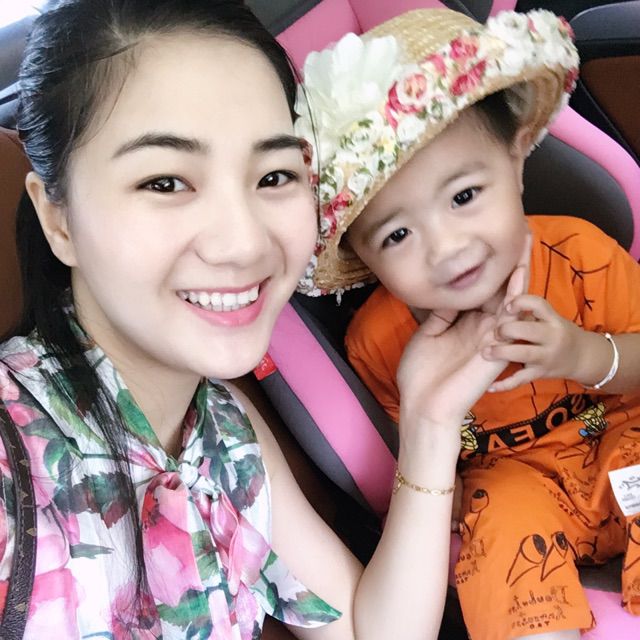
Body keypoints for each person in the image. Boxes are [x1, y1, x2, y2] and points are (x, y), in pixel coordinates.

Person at [0, 0, 521, 638]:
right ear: (58, 221)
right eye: (165, 182)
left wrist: (432, 420)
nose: (245, 244)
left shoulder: (225, 430)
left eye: (274, 175)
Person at [295, 7, 640, 640]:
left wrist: (583, 354)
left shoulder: (582, 256)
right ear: (362, 256)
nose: (447, 248)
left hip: (620, 445)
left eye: (463, 197)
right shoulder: (380, 342)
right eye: (397, 235)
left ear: (515, 160)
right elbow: (419, 461)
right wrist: (447, 487)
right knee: (500, 518)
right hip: (516, 488)